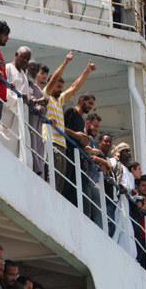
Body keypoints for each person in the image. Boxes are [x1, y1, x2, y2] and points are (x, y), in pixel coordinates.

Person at [43, 54, 96, 192]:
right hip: (51, 141)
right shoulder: (46, 96)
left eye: (61, 87)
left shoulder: (59, 100)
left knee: (60, 182)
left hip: (62, 144)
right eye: (57, 87)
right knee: (51, 178)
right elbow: (54, 78)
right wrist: (65, 62)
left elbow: (74, 87)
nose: (60, 89)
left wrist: (87, 72)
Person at [62, 93, 96, 207]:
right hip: (66, 153)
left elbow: (77, 139)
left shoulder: (81, 121)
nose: (91, 107)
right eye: (90, 103)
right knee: (64, 185)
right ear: (82, 100)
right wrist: (75, 134)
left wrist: (84, 145)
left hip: (75, 159)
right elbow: (59, 126)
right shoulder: (70, 111)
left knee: (72, 190)